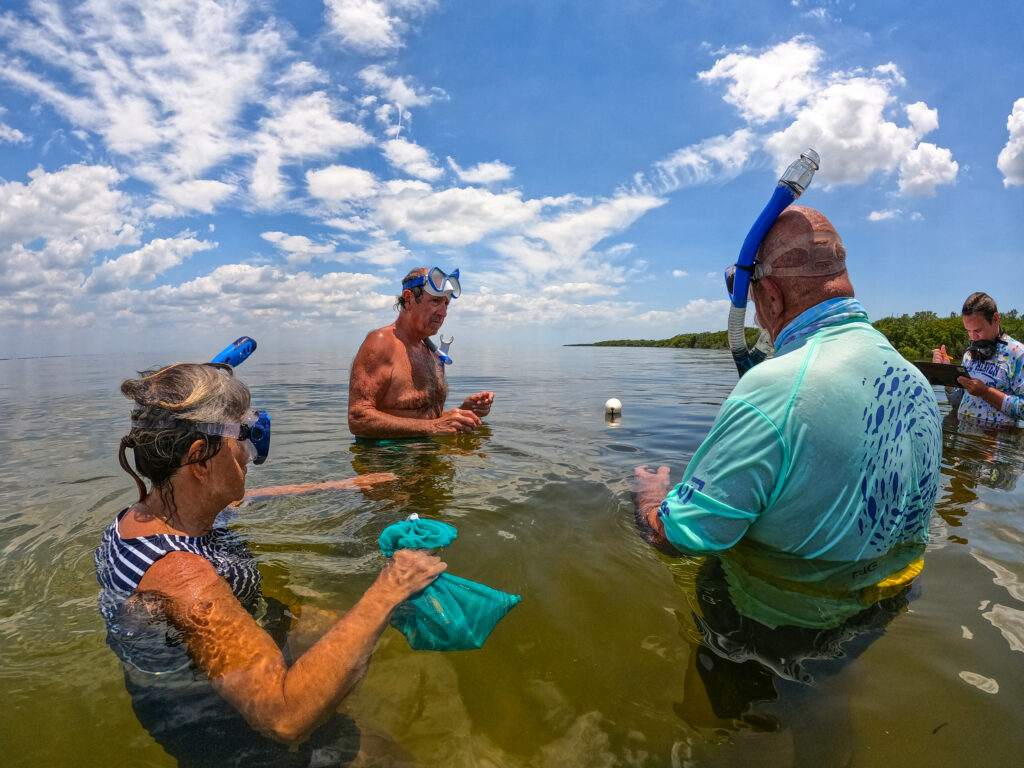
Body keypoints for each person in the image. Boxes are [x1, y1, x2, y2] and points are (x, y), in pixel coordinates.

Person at [633, 206, 942, 733]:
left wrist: (651, 497)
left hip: (773, 629)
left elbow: (684, 538)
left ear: (771, 296)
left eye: (757, 306)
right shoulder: (917, 383)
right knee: (819, 720)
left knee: (713, 726)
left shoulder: (774, 389)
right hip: (882, 611)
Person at [95, 363, 445, 763]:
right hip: (220, 724)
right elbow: (282, 717)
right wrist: (391, 587)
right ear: (200, 461)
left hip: (213, 659)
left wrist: (342, 486)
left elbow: (247, 498)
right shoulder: (183, 576)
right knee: (389, 759)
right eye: (244, 436)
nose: (250, 450)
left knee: (331, 623)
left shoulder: (157, 510)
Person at [348, 267, 494, 438]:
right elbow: (358, 419)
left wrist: (462, 413)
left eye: (446, 303)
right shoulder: (382, 343)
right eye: (435, 302)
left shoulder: (433, 354)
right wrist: (434, 427)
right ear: (409, 299)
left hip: (427, 458)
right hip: (387, 461)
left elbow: (429, 418)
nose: (443, 313)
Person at [932, 292, 1024, 427]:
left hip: (997, 440)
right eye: (968, 331)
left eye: (978, 330)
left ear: (996, 319)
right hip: (965, 436)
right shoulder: (969, 354)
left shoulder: (1018, 354)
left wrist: (985, 392)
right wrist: (946, 375)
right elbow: (958, 401)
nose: (972, 337)